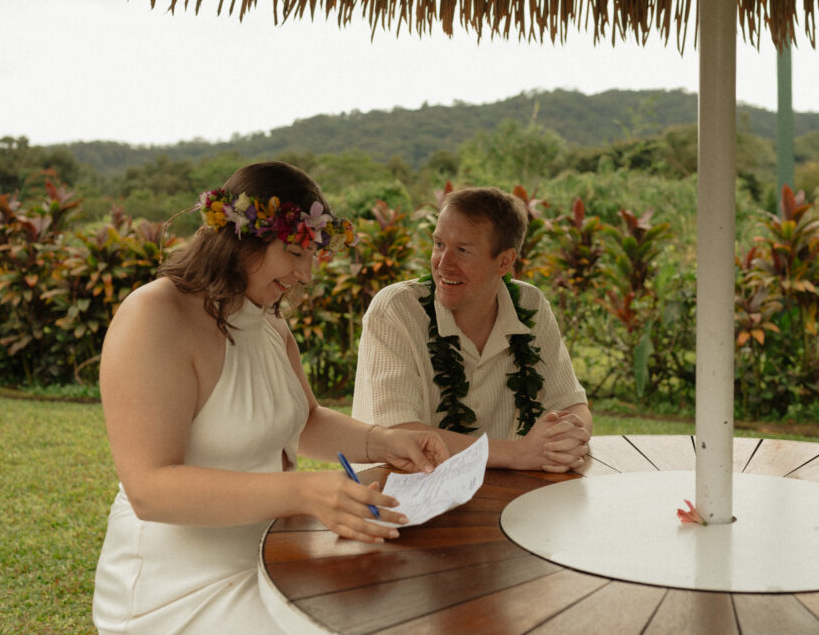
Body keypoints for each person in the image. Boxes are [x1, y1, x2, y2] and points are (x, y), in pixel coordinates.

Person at [92, 162, 448, 634]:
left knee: (405, 602)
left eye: (314, 253)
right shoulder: (155, 315)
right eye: (296, 251)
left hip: (274, 558)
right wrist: (304, 492)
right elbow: (149, 490)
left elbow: (303, 420)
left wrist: (385, 442)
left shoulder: (269, 322)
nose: (306, 273)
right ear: (241, 237)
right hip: (179, 589)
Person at [352, 186, 592, 472]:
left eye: (462, 250)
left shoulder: (531, 304)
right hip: (396, 495)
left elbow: (571, 405)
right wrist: (517, 453)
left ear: (504, 261)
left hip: (502, 493)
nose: (443, 264)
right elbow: (401, 435)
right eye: (439, 244)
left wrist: (567, 439)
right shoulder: (395, 310)